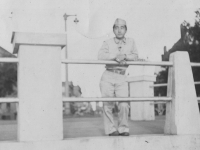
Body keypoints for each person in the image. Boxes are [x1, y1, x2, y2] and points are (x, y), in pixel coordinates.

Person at [98, 18, 139, 136]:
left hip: (122, 76)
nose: (119, 30)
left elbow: (135, 55)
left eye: (122, 27)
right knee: (107, 105)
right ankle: (111, 130)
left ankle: (123, 129)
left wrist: (125, 56)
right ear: (113, 29)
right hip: (108, 75)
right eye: (116, 27)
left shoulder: (131, 42)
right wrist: (115, 56)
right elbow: (100, 56)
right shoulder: (107, 42)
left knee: (124, 104)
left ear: (126, 29)